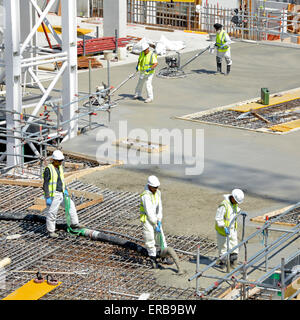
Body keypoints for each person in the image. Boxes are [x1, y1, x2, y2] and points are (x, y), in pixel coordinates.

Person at [43, 150, 83, 238]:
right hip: (54, 195)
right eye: (59, 161)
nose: (61, 162)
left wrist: (65, 190)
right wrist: (47, 197)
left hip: (61, 192)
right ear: (54, 160)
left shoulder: (60, 167)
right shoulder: (48, 169)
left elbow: (61, 180)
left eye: (61, 161)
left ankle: (74, 224)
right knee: (52, 212)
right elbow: (45, 184)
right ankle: (51, 231)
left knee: (71, 205)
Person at [140, 175, 171, 268]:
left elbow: (159, 207)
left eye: (157, 187)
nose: (156, 189)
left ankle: (164, 257)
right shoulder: (145, 196)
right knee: (150, 239)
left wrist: (159, 219)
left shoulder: (158, 193)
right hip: (147, 221)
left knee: (161, 238)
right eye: (154, 187)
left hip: (156, 220)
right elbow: (149, 212)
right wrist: (154, 223)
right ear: (149, 186)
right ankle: (153, 260)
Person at [215, 189, 244, 269]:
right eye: (236, 201)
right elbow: (218, 218)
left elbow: (234, 210)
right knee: (223, 247)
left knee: (234, 245)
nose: (237, 203)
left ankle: (233, 262)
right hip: (223, 230)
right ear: (233, 198)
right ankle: (223, 264)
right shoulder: (223, 205)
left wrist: (241, 212)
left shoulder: (234, 204)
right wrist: (224, 227)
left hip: (232, 229)